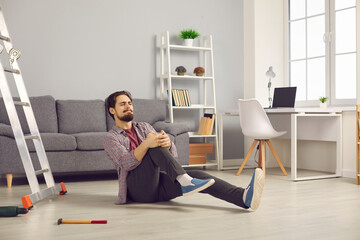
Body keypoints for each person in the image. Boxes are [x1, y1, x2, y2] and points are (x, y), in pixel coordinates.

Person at [104, 90, 265, 210]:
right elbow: (125, 163)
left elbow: (172, 156)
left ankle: (243, 197)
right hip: (138, 190)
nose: (128, 106)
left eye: (130, 103)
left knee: (199, 176)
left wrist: (168, 144)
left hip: (157, 185)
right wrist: (147, 144)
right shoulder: (111, 138)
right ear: (112, 110)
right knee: (152, 145)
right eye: (122, 104)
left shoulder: (144, 127)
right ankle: (185, 181)